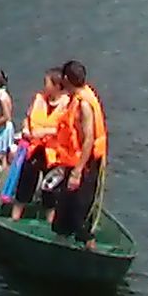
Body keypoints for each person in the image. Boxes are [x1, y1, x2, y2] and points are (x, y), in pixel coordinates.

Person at [47, 60, 110, 244]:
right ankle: (60, 244)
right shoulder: (76, 97)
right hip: (73, 162)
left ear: (67, 79)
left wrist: (77, 172)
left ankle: (89, 248)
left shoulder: (84, 104)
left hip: (85, 165)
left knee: (80, 212)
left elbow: (88, 139)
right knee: (64, 210)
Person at [5, 71, 67, 221]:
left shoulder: (67, 104)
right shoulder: (38, 98)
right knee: (25, 182)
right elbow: (28, 118)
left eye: (47, 83)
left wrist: (45, 132)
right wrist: (26, 128)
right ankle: (15, 218)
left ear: (57, 86)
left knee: (50, 192)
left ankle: (50, 224)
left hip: (54, 154)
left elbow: (66, 130)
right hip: (34, 149)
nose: (44, 86)